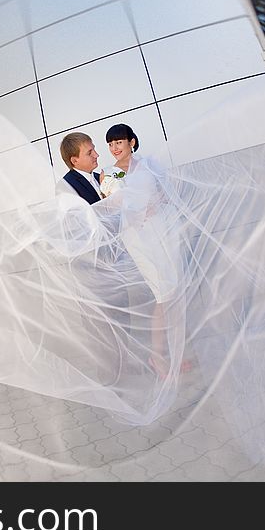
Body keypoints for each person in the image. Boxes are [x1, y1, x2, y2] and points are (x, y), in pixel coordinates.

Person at [98, 123, 191, 379]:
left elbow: (166, 192)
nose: (114, 148)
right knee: (163, 294)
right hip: (139, 238)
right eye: (110, 144)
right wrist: (140, 209)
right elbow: (113, 208)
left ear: (131, 142)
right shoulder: (108, 174)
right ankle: (157, 356)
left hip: (163, 231)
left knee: (174, 293)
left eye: (119, 142)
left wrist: (157, 201)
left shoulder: (148, 164)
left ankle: (177, 354)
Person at [56, 132, 102, 204]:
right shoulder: (66, 186)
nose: (96, 155)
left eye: (94, 149)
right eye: (89, 153)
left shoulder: (100, 177)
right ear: (74, 161)